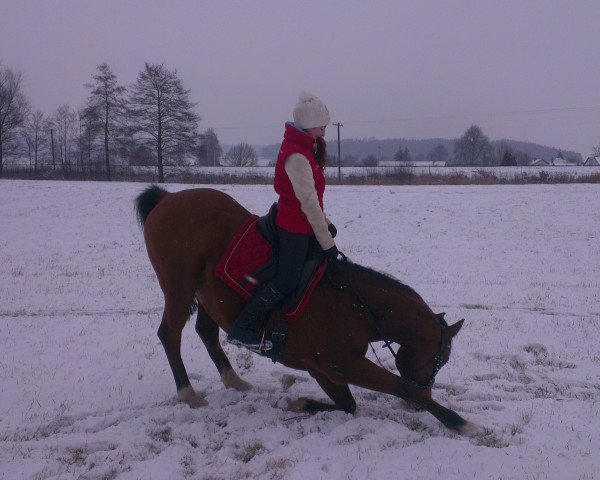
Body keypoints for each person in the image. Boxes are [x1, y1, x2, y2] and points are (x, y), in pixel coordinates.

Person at [227, 92, 339, 350]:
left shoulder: (303, 148)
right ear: (308, 122)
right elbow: (308, 203)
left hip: (300, 219)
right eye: (321, 125)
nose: (324, 130)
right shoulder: (298, 156)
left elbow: (311, 201)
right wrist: (327, 241)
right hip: (294, 226)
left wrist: (326, 223)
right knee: (287, 279)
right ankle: (244, 327)